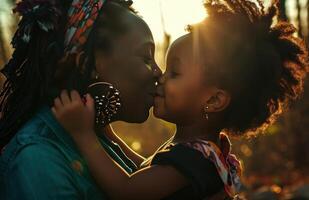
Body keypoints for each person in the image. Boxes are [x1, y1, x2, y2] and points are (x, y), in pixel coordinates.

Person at [52, 0, 308, 199]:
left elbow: (126, 190)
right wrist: (108, 134)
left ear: (214, 100)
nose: (160, 77)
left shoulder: (193, 160)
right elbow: (145, 170)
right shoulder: (199, 152)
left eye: (174, 73)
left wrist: (83, 134)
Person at [0, 0, 163, 199]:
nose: (158, 72)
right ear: (89, 64)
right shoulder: (38, 158)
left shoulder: (93, 134)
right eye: (146, 58)